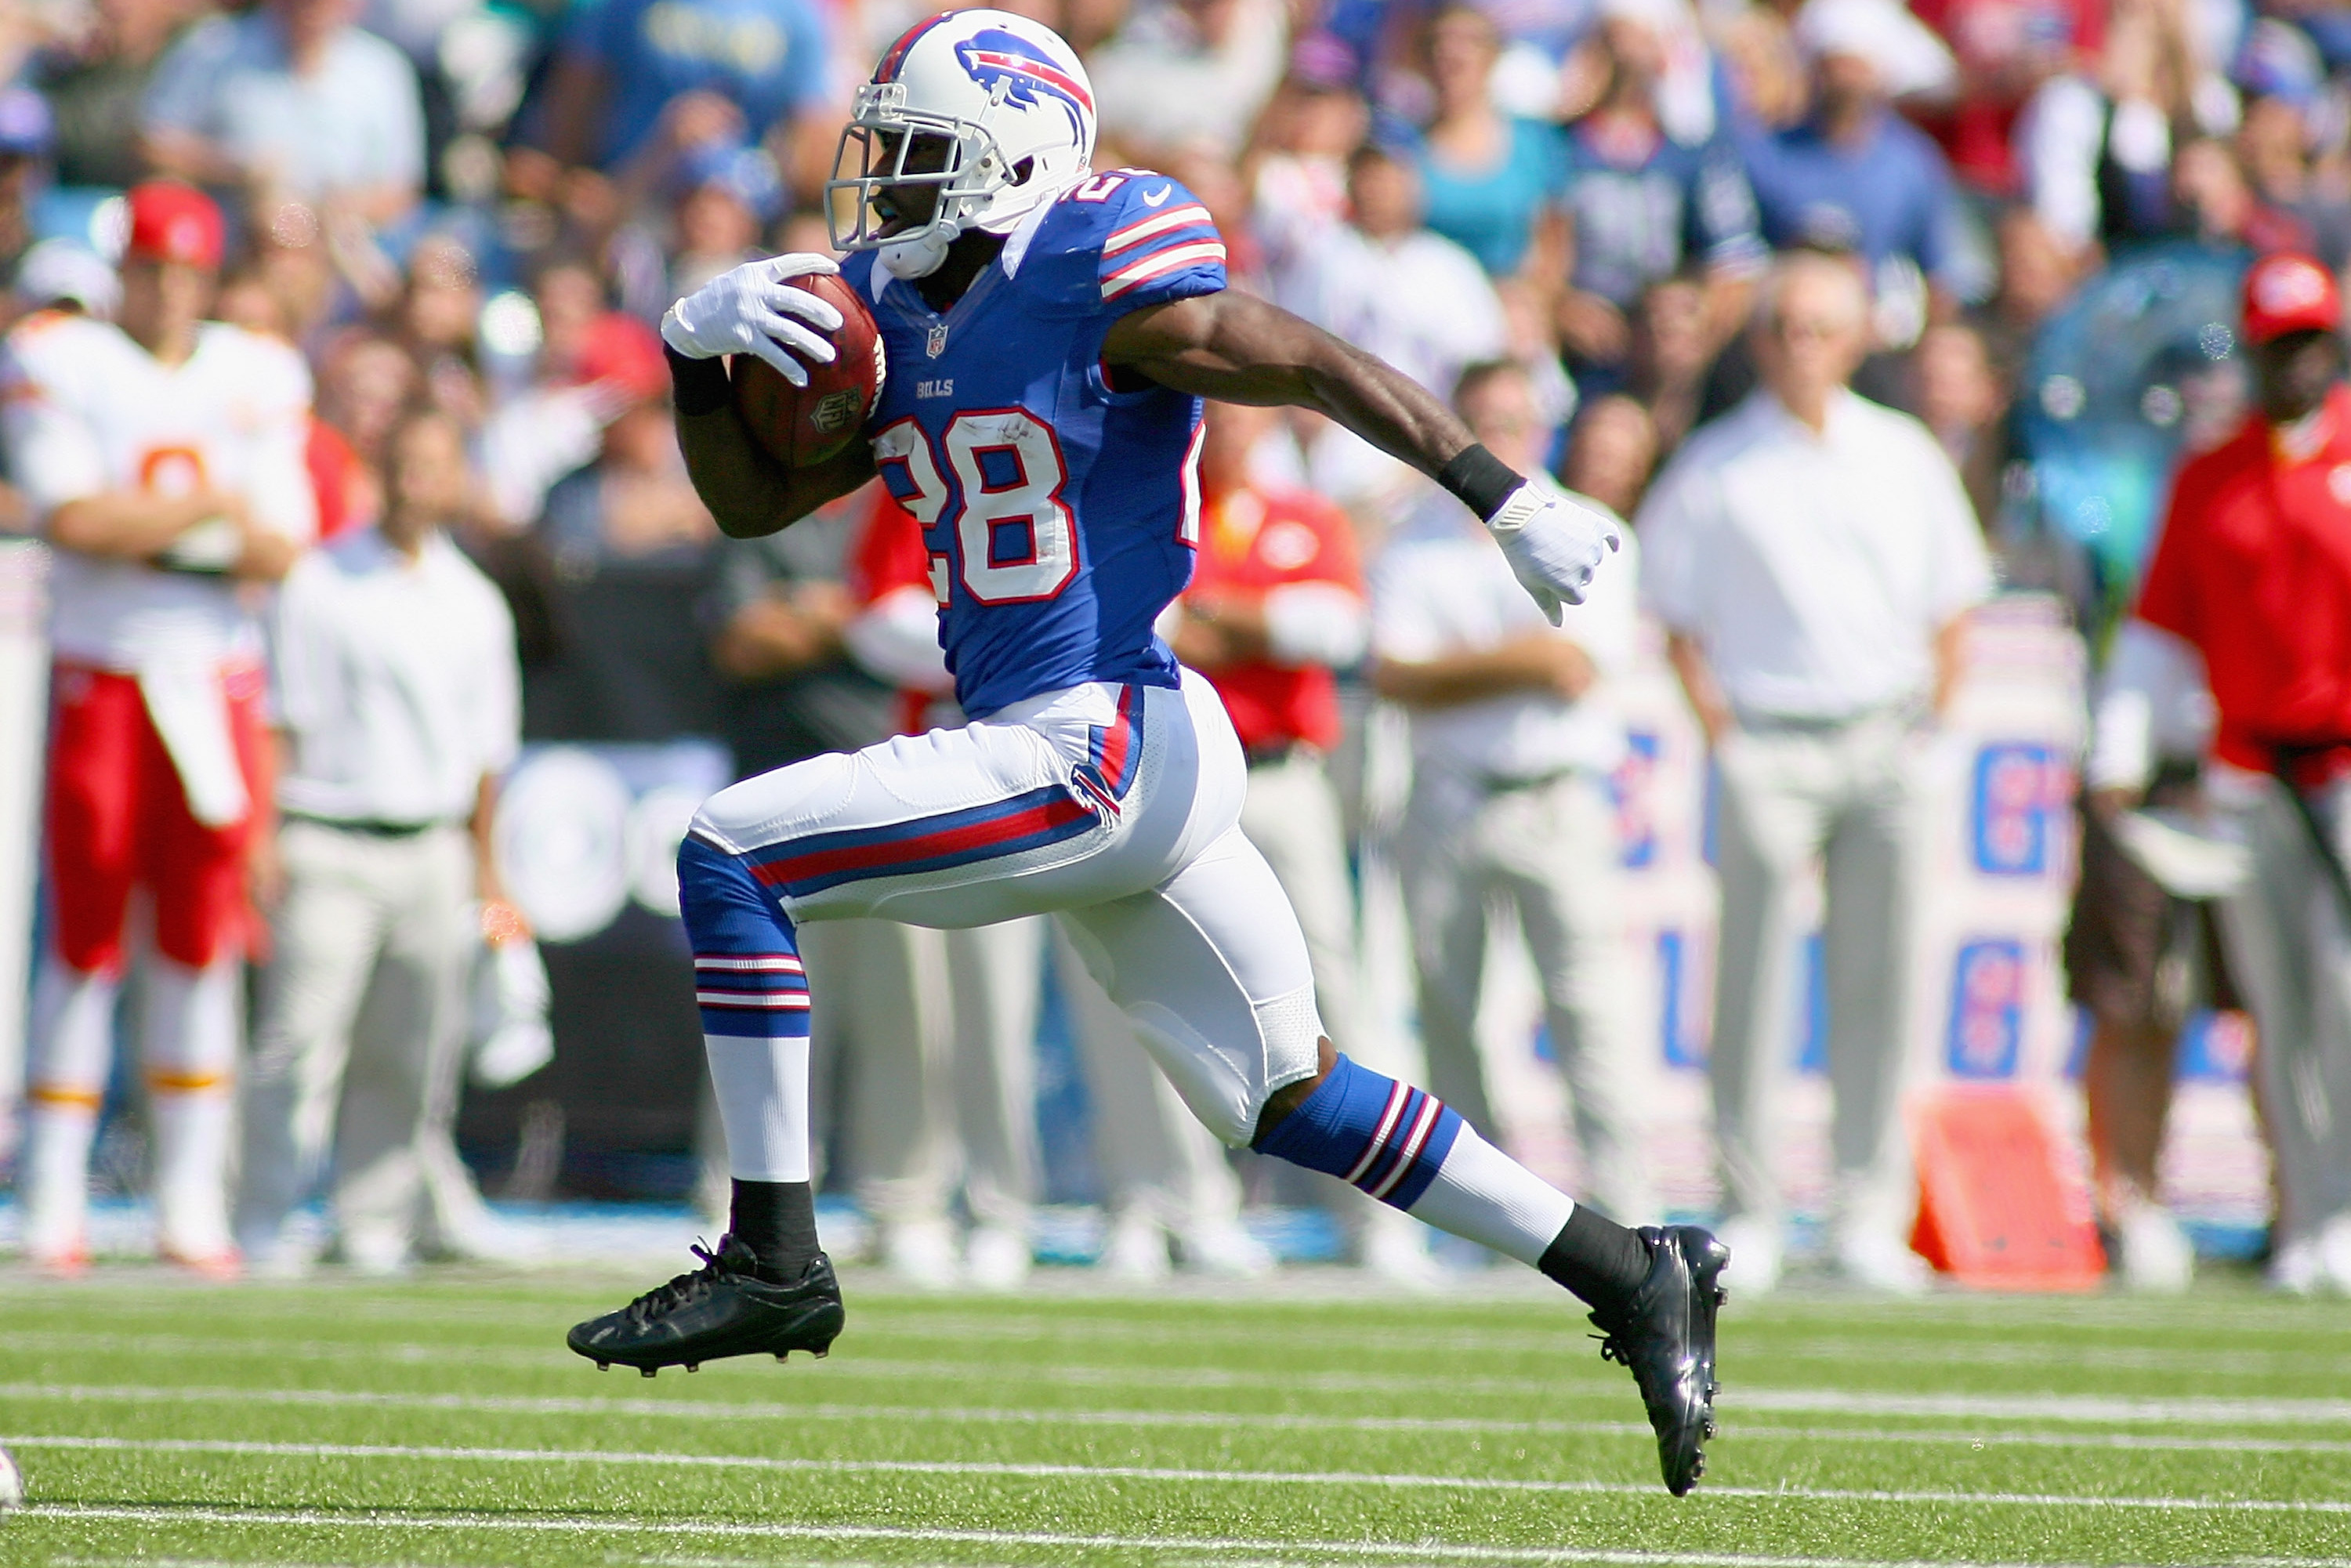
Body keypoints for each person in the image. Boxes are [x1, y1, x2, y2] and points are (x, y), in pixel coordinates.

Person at [565, 9, 1724, 1498]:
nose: (886, 192)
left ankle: (773, 1250)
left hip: (1099, 732)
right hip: (1108, 747)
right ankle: (1633, 1268)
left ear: (1021, 161)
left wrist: (1501, 496)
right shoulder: (899, 305)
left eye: (920, 160)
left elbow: (1303, 358)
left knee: (730, 853)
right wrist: (688, 359)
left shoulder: (1092, 279)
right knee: (1288, 1095)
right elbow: (755, 507)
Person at [1639, 252, 1992, 1296]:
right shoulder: (1714, 463)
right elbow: (1678, 618)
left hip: (1885, 734)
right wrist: (1726, 737)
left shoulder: (1904, 454)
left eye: (1821, 326)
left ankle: (1865, 1210)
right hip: (1769, 738)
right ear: (1761, 341)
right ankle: (1751, 1203)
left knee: (1881, 977)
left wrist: (1935, 731)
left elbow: (1953, 604)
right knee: (1748, 978)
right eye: (1785, 325)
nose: (1802, 344)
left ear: (1854, 339)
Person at [1, 181, 315, 1275]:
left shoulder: (259, 368)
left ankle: (189, 1195)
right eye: (151, 266)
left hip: (212, 680)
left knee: (197, 939)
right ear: (122, 269)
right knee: (83, 938)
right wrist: (209, 508)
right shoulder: (61, 354)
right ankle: (52, 1190)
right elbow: (72, 517)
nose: (168, 287)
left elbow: (282, 545)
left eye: (186, 268)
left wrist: (153, 528)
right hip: (105, 672)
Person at [2099, 252, 2351, 1294]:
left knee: (2344, 997)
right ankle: (2306, 1217)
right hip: (2248, 768)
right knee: (2279, 1008)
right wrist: (2117, 749)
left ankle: (2342, 1213)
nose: (2295, 362)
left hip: (2343, 762)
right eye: (2277, 344)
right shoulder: (2212, 475)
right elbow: (2162, 626)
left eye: (2309, 341)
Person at [236, 408, 523, 1274]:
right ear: (378, 470)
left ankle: (371, 1219)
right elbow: (279, 717)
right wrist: (262, 835)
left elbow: (487, 758)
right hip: (328, 835)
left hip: (432, 848)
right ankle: (265, 1215)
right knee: (297, 1043)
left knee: (413, 1052)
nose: (413, 484)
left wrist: (488, 876)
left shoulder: (474, 600)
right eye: (401, 465)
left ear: (453, 477)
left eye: (432, 466)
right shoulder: (320, 582)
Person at [1372, 360, 1654, 1229]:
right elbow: (1393, 676)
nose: (1501, 438)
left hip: (1555, 793)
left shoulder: (1590, 528)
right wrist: (1514, 658)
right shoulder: (1413, 539)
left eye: (1516, 420)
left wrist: (1458, 668)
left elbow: (1572, 668)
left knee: (1590, 1008)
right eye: (1483, 420)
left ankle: (1626, 1201)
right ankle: (1480, 1209)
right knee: (1447, 1007)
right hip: (1451, 792)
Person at [140, 0, 428, 228]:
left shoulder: (383, 69)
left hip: (335, 256)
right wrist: (234, 170)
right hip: (231, 248)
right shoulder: (214, 47)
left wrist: (343, 209)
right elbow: (151, 142)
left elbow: (401, 188)